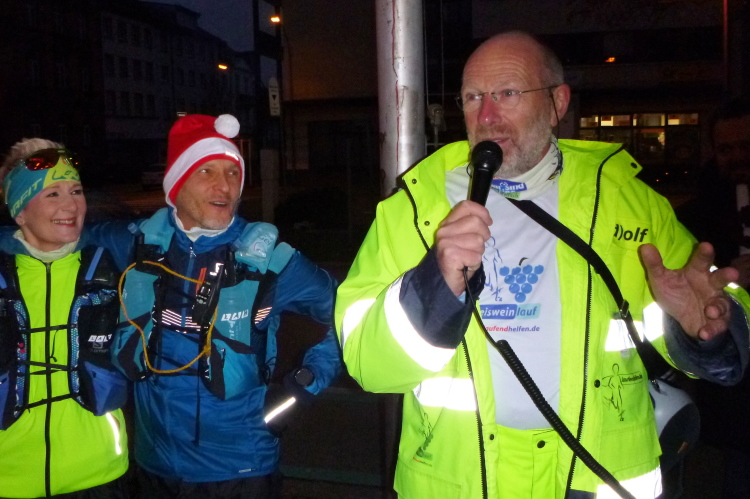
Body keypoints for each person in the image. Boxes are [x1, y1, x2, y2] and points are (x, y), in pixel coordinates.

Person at [335, 31, 750, 499]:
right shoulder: (413, 209)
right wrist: (434, 286)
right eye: (473, 97)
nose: (486, 116)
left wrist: (705, 334)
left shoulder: (627, 202)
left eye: (508, 93)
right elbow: (367, 363)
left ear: (557, 103)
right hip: (460, 482)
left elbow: (712, 323)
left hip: (594, 479)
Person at [110, 114, 342, 498]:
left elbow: (354, 312)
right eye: (207, 171)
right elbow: (49, 237)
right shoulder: (136, 245)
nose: (225, 186)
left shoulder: (272, 261)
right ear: (177, 182)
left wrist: (306, 382)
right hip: (153, 468)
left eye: (233, 173)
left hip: (241, 471)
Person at [0, 139, 129, 497]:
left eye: (76, 191)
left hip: (99, 471)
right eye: (52, 194)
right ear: (20, 211)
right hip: (8, 478)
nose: (71, 205)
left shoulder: (111, 267)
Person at [676, 95, 750, 498]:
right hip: (734, 396)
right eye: (726, 149)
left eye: (746, 146)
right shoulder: (694, 218)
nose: (737, 157)